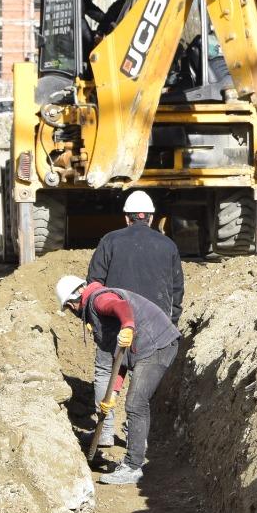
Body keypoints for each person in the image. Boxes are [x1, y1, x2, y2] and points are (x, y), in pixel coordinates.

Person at [57, 274, 180, 486]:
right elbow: (120, 359)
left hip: (156, 345)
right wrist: (112, 394)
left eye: (69, 308)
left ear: (72, 301)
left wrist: (128, 326)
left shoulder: (97, 299)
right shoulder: (95, 305)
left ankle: (133, 466)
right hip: (148, 347)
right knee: (133, 402)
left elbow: (120, 306)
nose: (72, 312)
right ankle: (134, 459)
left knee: (135, 403)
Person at [85, 190, 184, 449]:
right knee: (142, 386)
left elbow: (94, 284)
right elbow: (176, 291)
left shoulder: (110, 241)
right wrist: (169, 323)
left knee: (107, 370)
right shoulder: (168, 245)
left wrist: (97, 319)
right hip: (154, 330)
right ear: (150, 218)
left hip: (114, 326)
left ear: (127, 218)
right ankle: (135, 434)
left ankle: (105, 430)